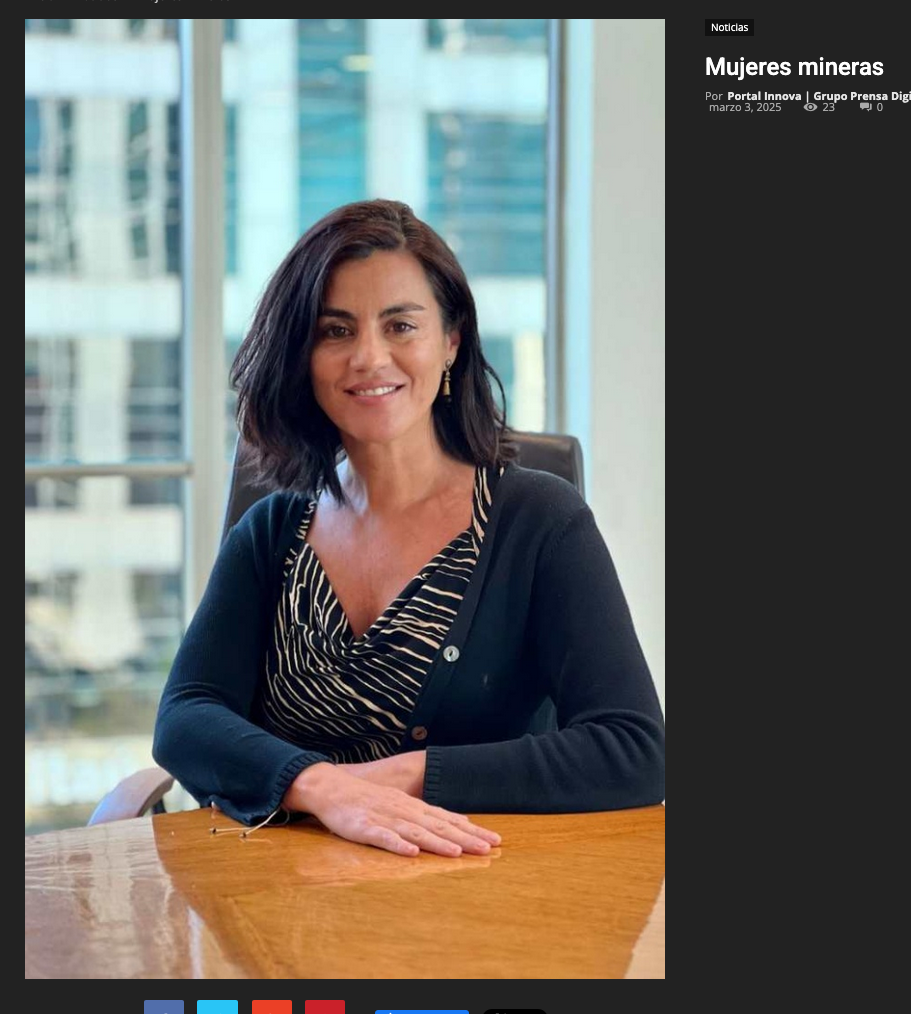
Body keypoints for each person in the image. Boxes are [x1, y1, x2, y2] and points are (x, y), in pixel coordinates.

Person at [153, 198, 664, 859]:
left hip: (479, 896)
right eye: (335, 330)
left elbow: (632, 749)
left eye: (400, 325)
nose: (369, 357)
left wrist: (405, 777)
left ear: (451, 341)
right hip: (285, 893)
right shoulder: (273, 529)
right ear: (303, 356)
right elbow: (186, 716)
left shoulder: (539, 521)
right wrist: (321, 788)